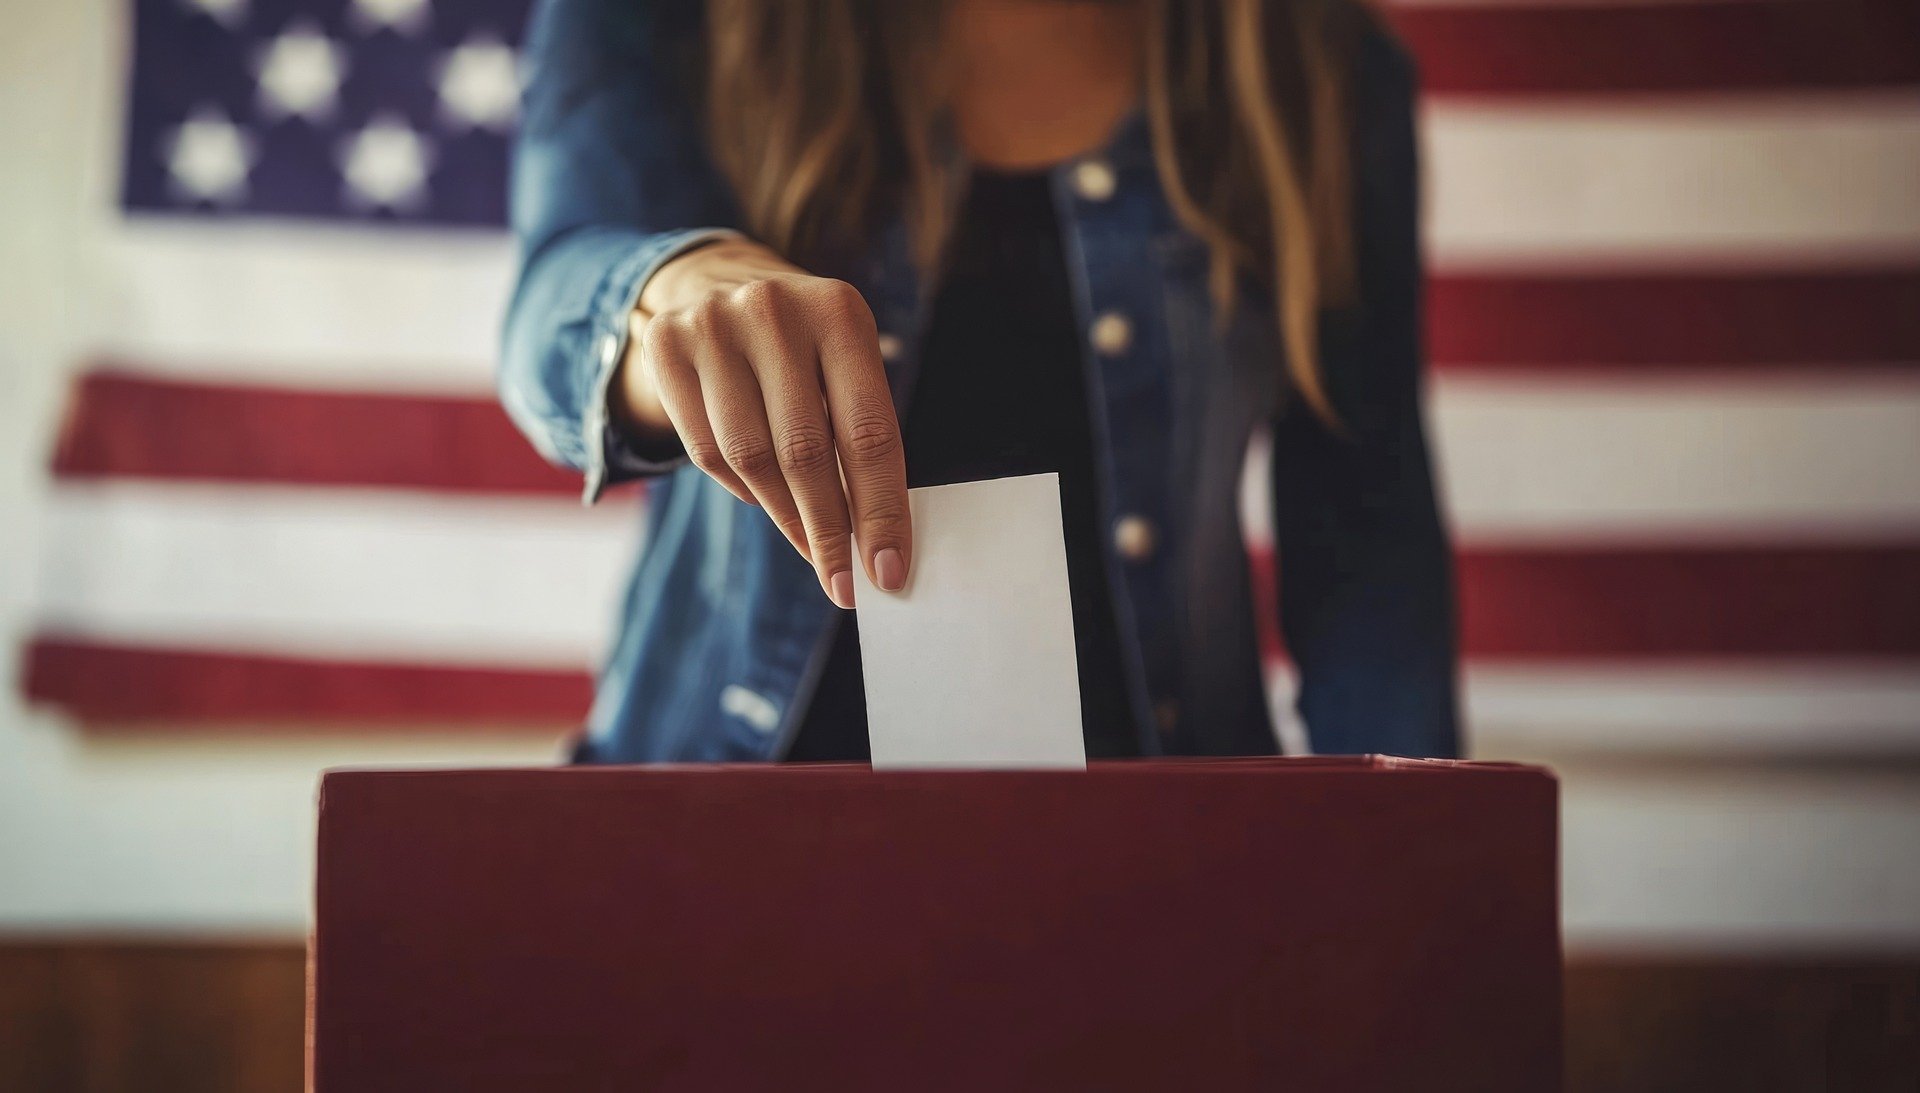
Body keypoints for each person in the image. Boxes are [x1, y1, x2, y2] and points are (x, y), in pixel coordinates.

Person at [500, 0, 1459, 763]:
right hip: (718, 843)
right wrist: (672, 291)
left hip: (1159, 863)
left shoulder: (1321, 66)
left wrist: (1409, 889)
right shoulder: (668, 17)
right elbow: (554, 304)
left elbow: (1370, 549)